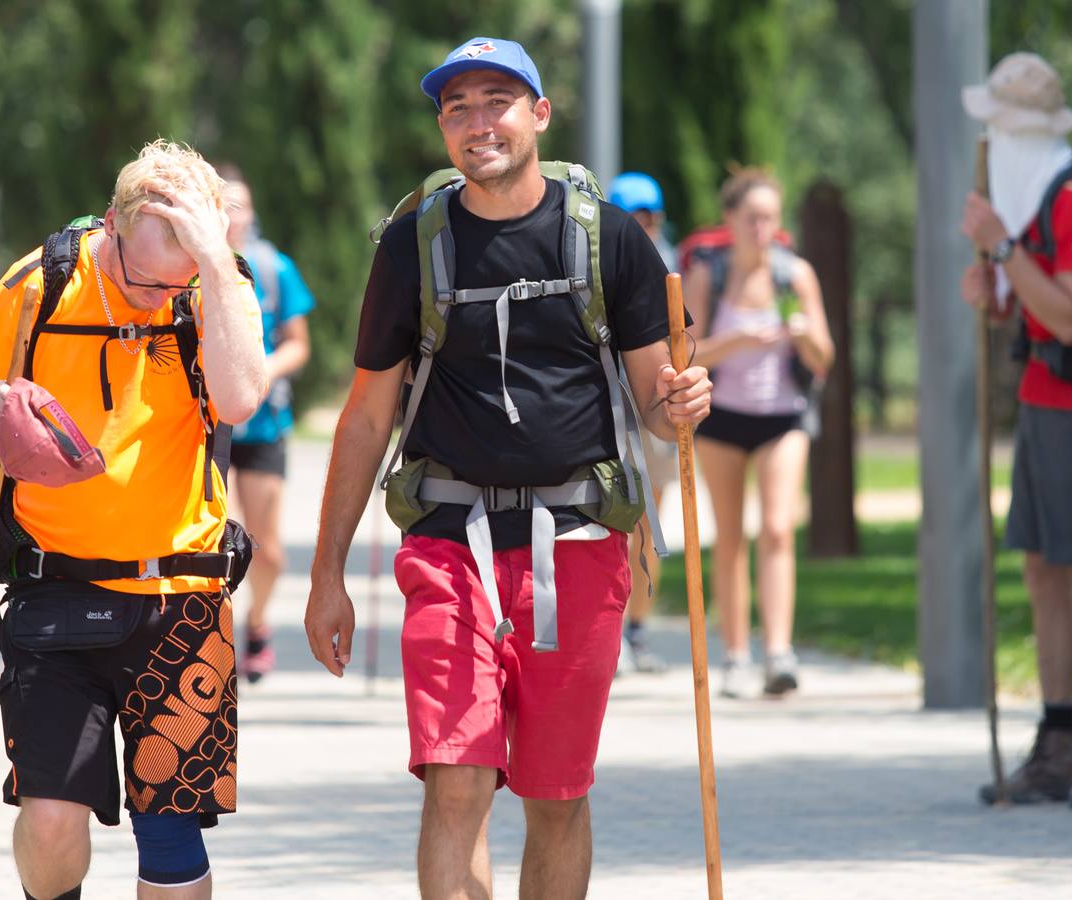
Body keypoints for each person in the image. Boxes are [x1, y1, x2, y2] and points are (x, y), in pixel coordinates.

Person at [303, 37, 711, 898]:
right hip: (449, 546)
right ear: (443, 130)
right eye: (458, 109)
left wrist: (680, 404)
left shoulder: (607, 240)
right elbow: (368, 412)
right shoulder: (411, 245)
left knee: (556, 797)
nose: (477, 123)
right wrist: (326, 573)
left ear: (539, 114)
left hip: (581, 542)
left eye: (497, 101)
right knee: (458, 778)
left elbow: (652, 401)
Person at [0, 140, 266, 898]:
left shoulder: (214, 286)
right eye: (146, 277)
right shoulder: (39, 285)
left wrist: (215, 269)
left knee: (170, 829)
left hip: (183, 596)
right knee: (51, 819)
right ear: (112, 227)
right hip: (54, 593)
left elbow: (242, 400)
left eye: (178, 279)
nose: (159, 296)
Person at [959, 51, 1072, 808]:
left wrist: (1003, 248)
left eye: (1000, 129)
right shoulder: (1036, 197)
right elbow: (1035, 308)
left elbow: (1070, 315)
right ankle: (1058, 740)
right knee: (1043, 572)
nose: (993, 144)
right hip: (1042, 399)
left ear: (1020, 131)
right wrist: (997, 291)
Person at [683, 169, 834, 699]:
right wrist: (738, 339)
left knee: (776, 529)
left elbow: (823, 359)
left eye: (770, 217)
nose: (762, 227)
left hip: (782, 417)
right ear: (730, 221)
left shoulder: (796, 276)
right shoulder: (710, 275)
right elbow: (689, 352)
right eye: (752, 218)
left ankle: (778, 653)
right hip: (722, 417)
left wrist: (805, 334)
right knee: (729, 538)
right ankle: (734, 656)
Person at [220, 172, 315, 684]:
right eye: (227, 206)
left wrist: (263, 371)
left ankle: (257, 622)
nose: (237, 216)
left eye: (243, 206)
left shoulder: (275, 269)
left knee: (266, 547)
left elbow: (299, 343)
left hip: (263, 424)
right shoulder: (181, 268)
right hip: (205, 427)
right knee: (205, 545)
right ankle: (212, 635)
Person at [608, 170, 678, 675]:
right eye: (631, 214)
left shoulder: (670, 265)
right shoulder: (592, 256)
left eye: (647, 216)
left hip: (651, 410)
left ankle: (638, 629)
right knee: (614, 522)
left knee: (648, 522)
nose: (640, 224)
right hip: (607, 410)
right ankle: (611, 628)